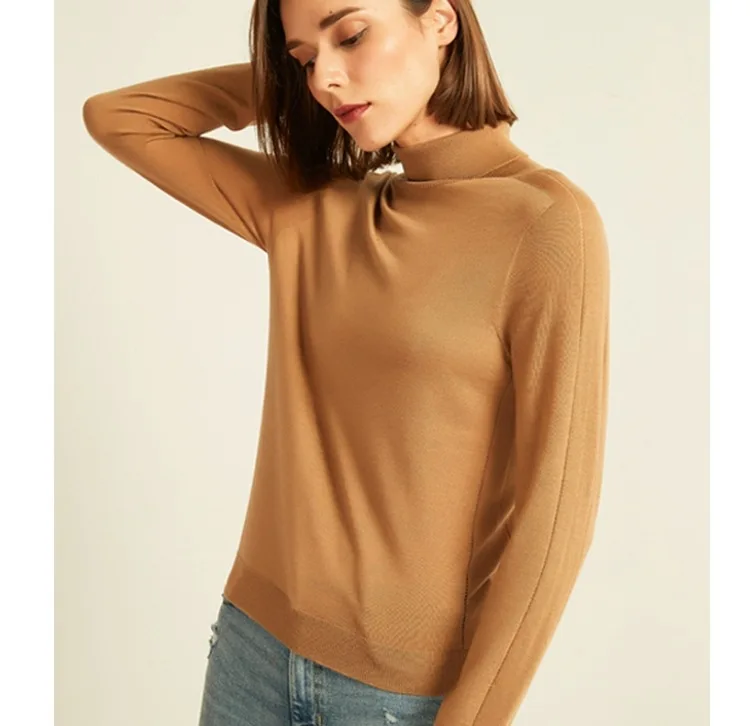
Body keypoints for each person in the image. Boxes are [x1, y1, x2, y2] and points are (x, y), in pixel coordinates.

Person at [82, 0, 611, 724]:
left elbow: (557, 517)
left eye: (352, 35)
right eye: (303, 59)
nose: (325, 78)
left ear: (441, 20)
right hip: (250, 647)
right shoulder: (317, 208)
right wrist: (297, 80)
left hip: (397, 693)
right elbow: (119, 119)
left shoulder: (546, 223)